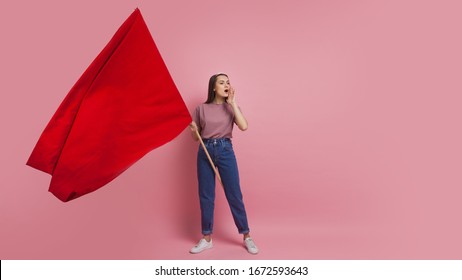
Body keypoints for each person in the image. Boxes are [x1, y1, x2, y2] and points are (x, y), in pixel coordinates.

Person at [188, 73, 258, 254]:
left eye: (228, 82)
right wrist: (194, 129)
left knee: (234, 194)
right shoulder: (201, 109)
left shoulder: (231, 107)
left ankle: (247, 236)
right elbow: (196, 138)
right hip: (205, 151)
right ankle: (206, 238)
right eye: (222, 82)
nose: (226, 85)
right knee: (206, 195)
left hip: (225, 150)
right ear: (213, 87)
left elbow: (244, 126)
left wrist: (233, 102)